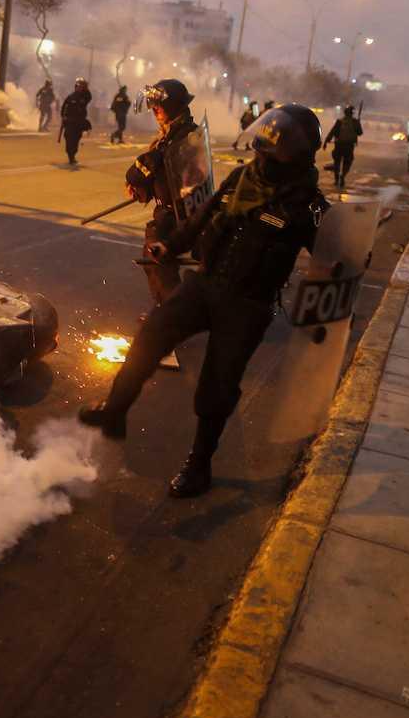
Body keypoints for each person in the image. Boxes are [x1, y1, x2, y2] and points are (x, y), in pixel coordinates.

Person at [79, 104, 329, 498]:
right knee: (150, 337)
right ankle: (114, 413)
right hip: (205, 284)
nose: (261, 158)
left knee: (217, 388)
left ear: (297, 156)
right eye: (261, 148)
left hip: (248, 305)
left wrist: (351, 250)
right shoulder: (241, 179)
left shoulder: (309, 206)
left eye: (271, 152)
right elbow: (199, 221)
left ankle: (199, 466)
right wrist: (169, 245)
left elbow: (336, 258)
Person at [124, 78, 207, 371]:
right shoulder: (177, 133)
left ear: (172, 106)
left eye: (159, 106)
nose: (155, 110)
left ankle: (172, 321)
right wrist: (144, 187)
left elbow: (144, 170)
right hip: (172, 209)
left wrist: (140, 176)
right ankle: (170, 313)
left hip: (178, 213)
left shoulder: (181, 137)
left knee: (158, 258)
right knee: (159, 261)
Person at [323, 103, 362, 189]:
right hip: (349, 146)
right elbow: (360, 133)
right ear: (352, 113)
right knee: (347, 162)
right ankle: (342, 176)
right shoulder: (355, 122)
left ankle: (337, 180)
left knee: (337, 163)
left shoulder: (339, 121)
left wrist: (326, 141)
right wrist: (359, 123)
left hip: (339, 145)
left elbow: (332, 132)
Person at [59, 77, 92, 165]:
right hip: (70, 122)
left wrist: (86, 87)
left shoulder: (84, 97)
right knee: (69, 139)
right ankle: (71, 156)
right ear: (75, 87)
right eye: (78, 86)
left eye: (81, 86)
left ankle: (72, 154)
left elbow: (89, 97)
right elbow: (63, 108)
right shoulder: (70, 97)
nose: (79, 88)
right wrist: (63, 117)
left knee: (76, 139)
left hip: (79, 123)